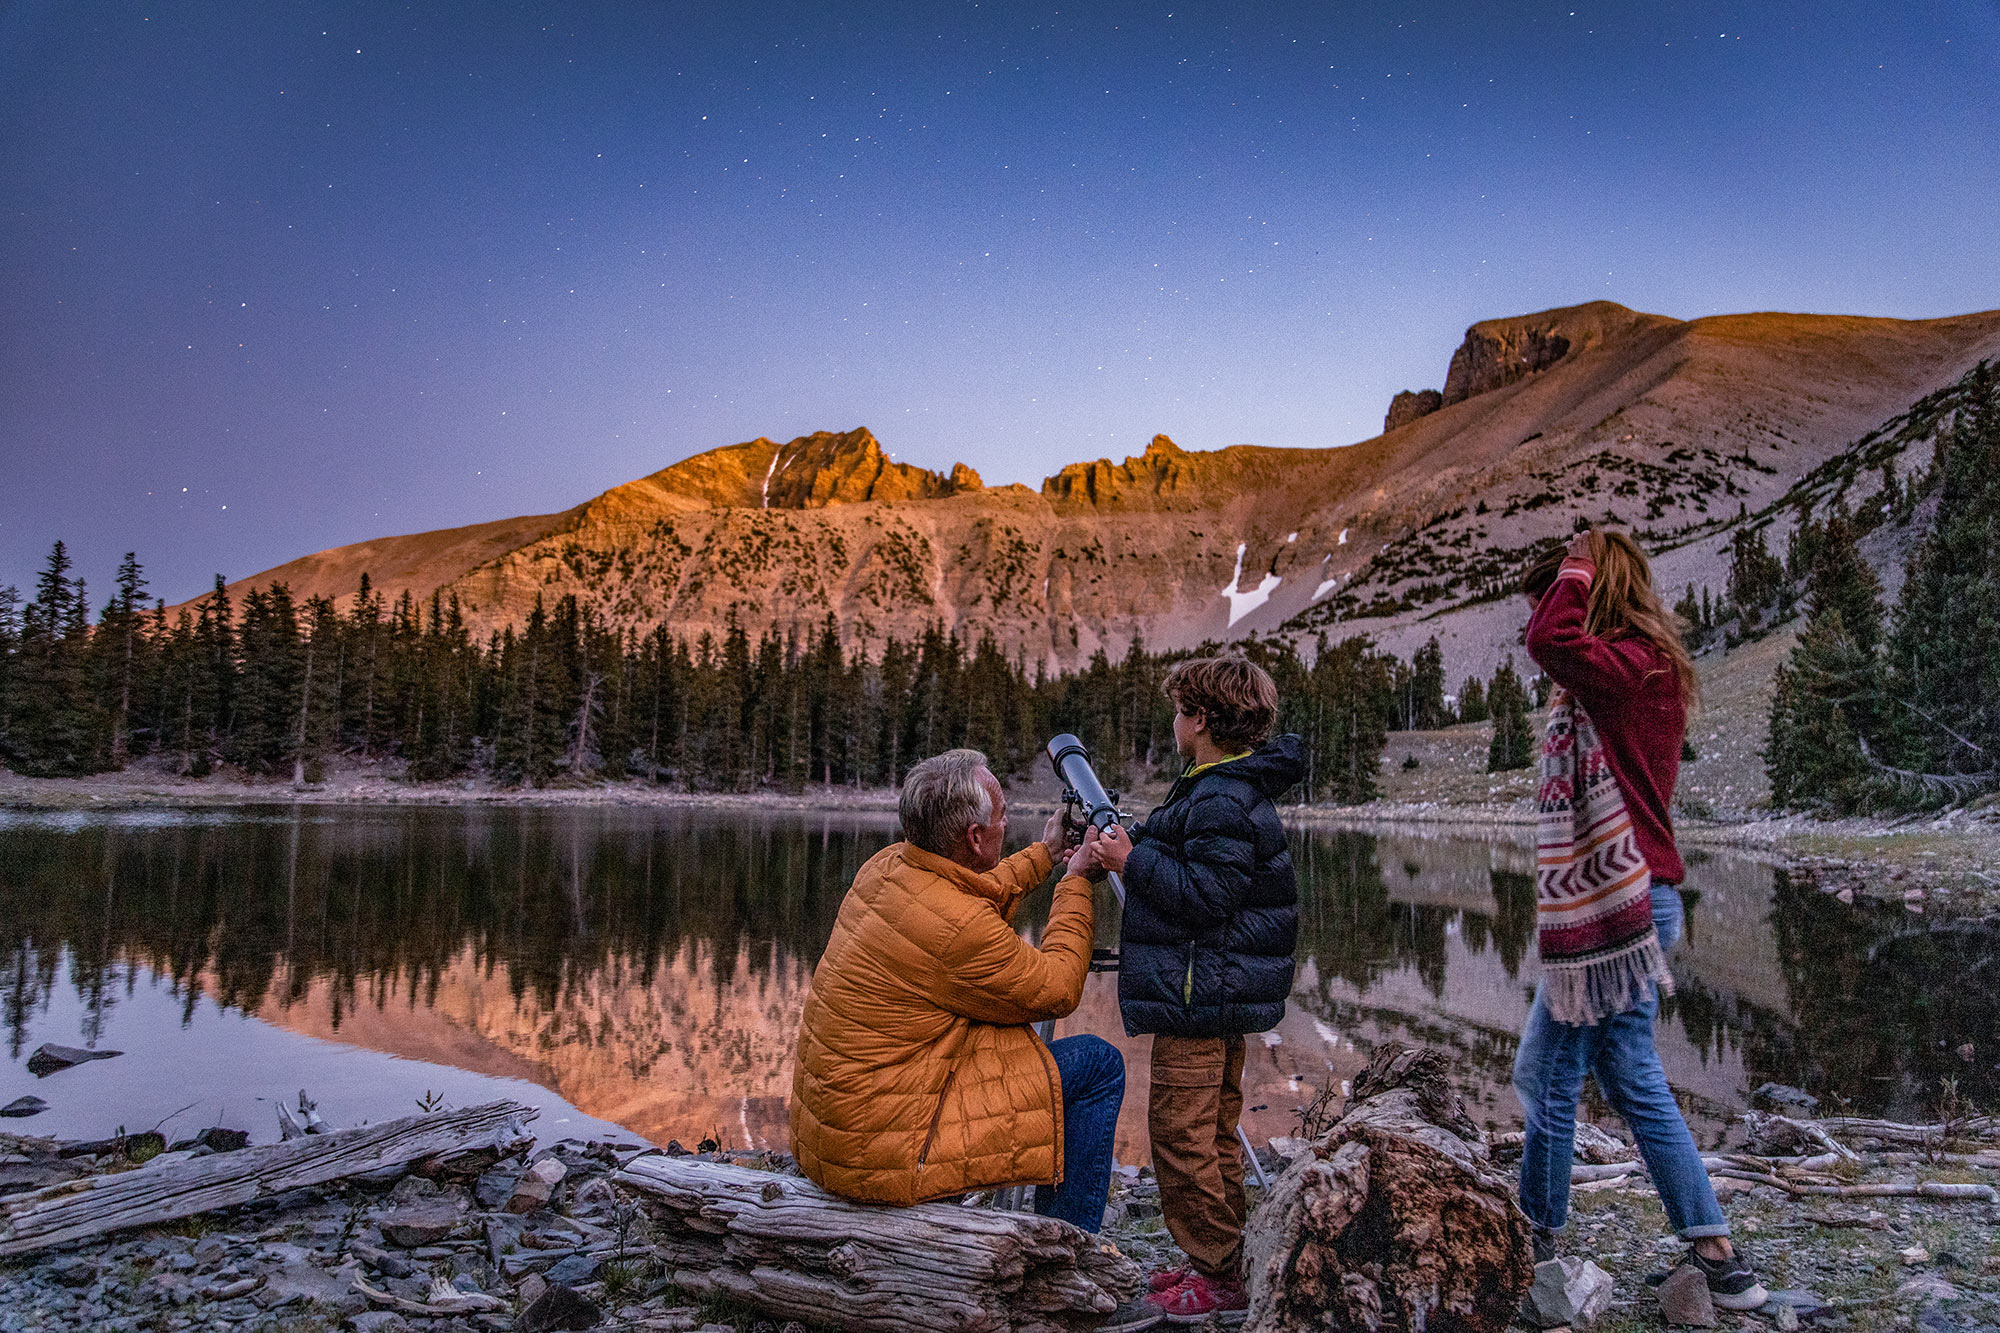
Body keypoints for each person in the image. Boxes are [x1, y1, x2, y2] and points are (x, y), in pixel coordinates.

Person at [1512, 530, 1767, 1311]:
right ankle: (1721, 1258)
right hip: (1637, 897)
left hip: (1618, 905)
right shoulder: (1641, 668)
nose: (1554, 614)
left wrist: (1580, 561)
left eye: (1565, 592)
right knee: (1632, 1075)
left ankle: (1533, 1244)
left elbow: (1547, 638)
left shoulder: (1626, 667)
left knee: (1544, 1072)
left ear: (1597, 590)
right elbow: (1551, 639)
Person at [788, 746, 1133, 1223]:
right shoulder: (960, 929)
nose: (1007, 823)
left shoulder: (889, 866)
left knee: (1009, 1037)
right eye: (1003, 815)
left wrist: (1048, 854)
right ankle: (1068, 1247)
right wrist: (1075, 883)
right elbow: (1057, 990)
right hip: (884, 1149)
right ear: (974, 837)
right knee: (1098, 1066)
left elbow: (973, 891)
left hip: (841, 1129)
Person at [1092, 656, 1303, 1324]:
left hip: (1198, 995)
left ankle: (1217, 1275)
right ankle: (1221, 1259)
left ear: (1202, 719)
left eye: (1181, 711)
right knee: (1211, 1130)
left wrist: (1132, 859)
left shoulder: (1217, 795)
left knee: (1181, 1134)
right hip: (1215, 993)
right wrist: (1142, 838)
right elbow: (1196, 858)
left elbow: (1208, 894)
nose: (1175, 722)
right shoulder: (1219, 787)